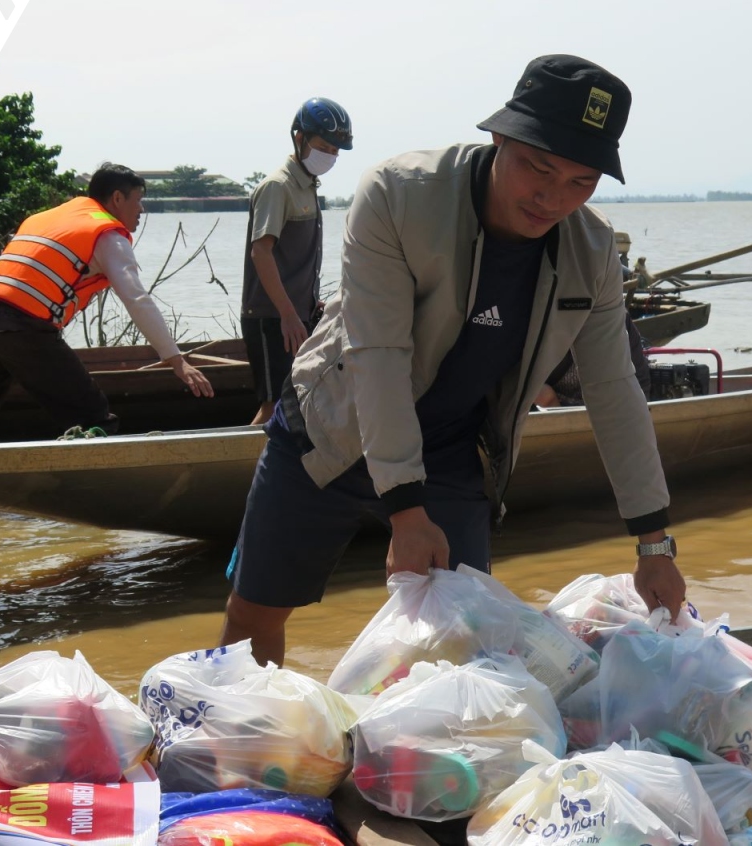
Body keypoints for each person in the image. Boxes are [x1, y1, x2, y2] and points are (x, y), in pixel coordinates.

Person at [219, 54, 686, 667]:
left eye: (581, 181)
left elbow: (614, 389)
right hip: (332, 428)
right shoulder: (398, 194)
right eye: (537, 168)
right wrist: (405, 510)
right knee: (255, 615)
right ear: (499, 136)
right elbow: (377, 353)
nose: (552, 197)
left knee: (466, 647)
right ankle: (239, 746)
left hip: (454, 454)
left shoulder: (590, 252)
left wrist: (655, 547)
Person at [0, 163, 214, 442]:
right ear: (117, 199)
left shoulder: (47, 217)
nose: (141, 209)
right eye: (138, 200)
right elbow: (137, 299)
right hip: (21, 326)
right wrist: (176, 360)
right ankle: (89, 482)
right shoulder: (107, 234)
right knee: (93, 416)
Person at [241, 98, 352, 425]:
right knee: (273, 406)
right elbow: (261, 252)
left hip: (296, 313)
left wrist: (306, 303)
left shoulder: (307, 187)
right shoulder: (278, 186)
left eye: (335, 150)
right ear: (299, 138)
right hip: (270, 316)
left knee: (297, 400)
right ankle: (243, 471)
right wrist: (288, 314)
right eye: (323, 147)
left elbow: (295, 257)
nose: (330, 156)